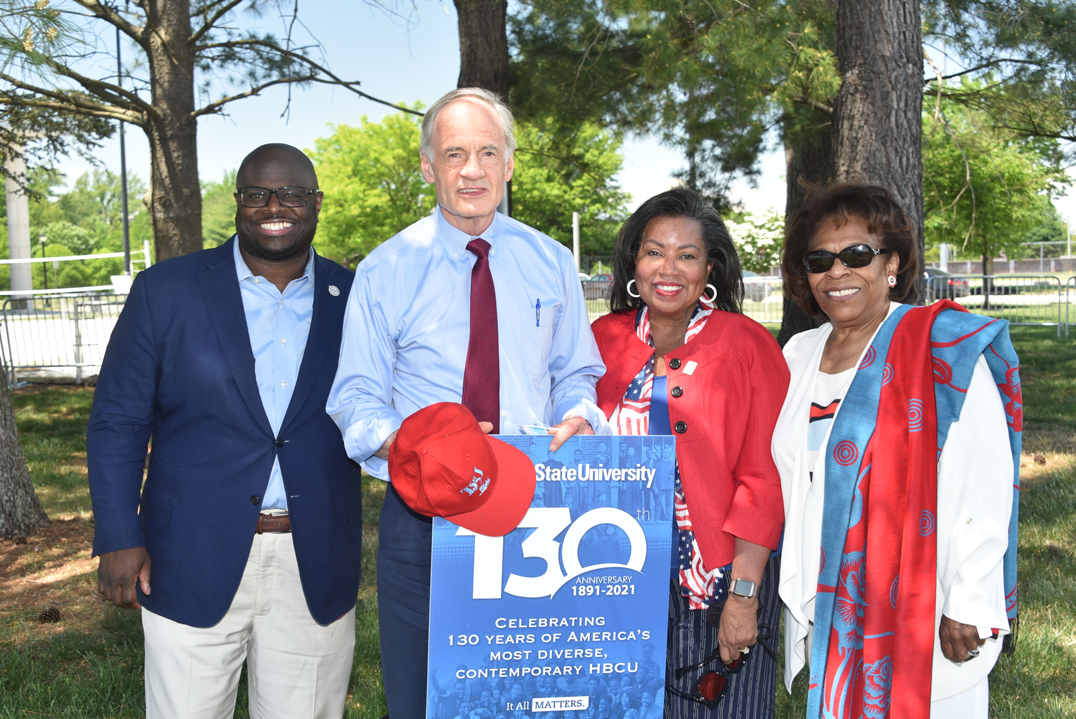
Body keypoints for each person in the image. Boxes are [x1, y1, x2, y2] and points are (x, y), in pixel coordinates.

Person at [326, 87, 608, 718]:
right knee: (428, 698)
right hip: (425, 518)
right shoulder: (384, 271)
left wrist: (579, 413)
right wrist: (421, 446)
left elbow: (576, 372)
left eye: (487, 151)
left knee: (534, 698)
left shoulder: (552, 262)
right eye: (455, 154)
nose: (472, 169)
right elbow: (355, 399)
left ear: (509, 164)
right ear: (430, 167)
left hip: (536, 507)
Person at [87, 144, 362, 717]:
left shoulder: (358, 298)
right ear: (238, 203)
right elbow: (117, 421)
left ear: (316, 203)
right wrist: (117, 534)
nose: (273, 206)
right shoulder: (165, 291)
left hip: (314, 560)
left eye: (290, 193)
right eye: (257, 194)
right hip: (188, 554)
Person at [773, 183, 1021, 718]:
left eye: (857, 254)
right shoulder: (798, 353)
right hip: (830, 601)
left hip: (920, 599)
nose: (836, 272)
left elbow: (987, 475)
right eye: (820, 259)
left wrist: (971, 597)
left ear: (892, 263)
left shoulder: (938, 348)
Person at [590, 188, 789, 718]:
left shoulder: (747, 344)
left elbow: (764, 478)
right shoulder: (600, 340)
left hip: (718, 582)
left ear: (710, 268)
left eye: (687, 254)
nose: (668, 268)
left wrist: (744, 595)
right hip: (614, 577)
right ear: (634, 261)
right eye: (654, 251)